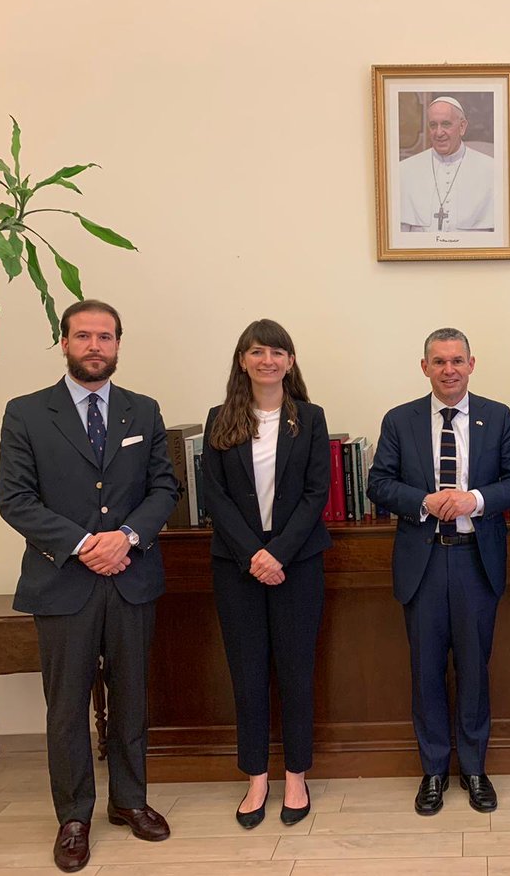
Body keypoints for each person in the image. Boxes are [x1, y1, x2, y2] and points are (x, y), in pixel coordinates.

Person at [0, 299, 180, 873]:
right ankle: (74, 816)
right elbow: (15, 499)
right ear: (64, 343)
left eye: (105, 337)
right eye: (84, 336)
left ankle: (130, 801)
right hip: (61, 583)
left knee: (132, 699)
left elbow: (164, 488)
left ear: (119, 345)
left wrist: (125, 537)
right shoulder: (26, 413)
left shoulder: (143, 411)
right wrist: (84, 545)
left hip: (132, 577)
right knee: (67, 707)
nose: (95, 345)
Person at [367, 328, 510, 815]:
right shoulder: (400, 420)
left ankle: (475, 768)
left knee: (475, 670)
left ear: (472, 364)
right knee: (426, 671)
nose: (449, 369)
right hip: (424, 560)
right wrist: (423, 501)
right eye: (439, 361)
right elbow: (378, 483)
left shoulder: (498, 417)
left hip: (476, 560)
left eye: (457, 360)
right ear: (424, 367)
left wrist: (474, 500)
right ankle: (434, 770)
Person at [201, 319, 332, 829]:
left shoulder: (311, 419)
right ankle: (256, 776)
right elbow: (215, 495)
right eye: (257, 351)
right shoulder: (220, 419)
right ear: (242, 360)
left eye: (278, 352)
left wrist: (278, 553)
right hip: (236, 567)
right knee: (248, 674)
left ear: (290, 361)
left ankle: (296, 774)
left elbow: (316, 493)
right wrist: (254, 554)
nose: (268, 360)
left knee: (297, 674)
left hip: (297, 565)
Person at [399, 96, 498, 233]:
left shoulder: (491, 170)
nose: (439, 133)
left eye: (446, 124)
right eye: (433, 125)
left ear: (462, 126)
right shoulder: (405, 170)